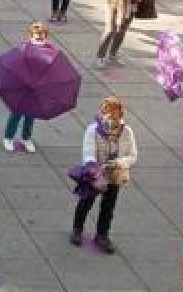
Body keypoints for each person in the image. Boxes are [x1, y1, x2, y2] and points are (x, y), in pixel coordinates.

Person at [71, 97, 137, 253]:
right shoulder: (92, 130)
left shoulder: (127, 131)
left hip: (114, 173)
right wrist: (96, 169)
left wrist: (119, 163)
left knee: (109, 205)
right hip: (95, 173)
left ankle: (102, 235)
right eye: (109, 120)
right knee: (86, 201)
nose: (112, 126)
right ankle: (77, 229)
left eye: (116, 121)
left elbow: (133, 155)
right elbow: (88, 154)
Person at [1, 22, 57, 154]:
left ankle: (26, 138)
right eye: (37, 35)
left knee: (31, 115)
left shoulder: (49, 49)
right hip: (23, 87)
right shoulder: (25, 49)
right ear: (31, 35)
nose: (39, 37)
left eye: (42, 35)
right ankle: (8, 137)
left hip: (37, 87)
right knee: (16, 114)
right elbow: (17, 67)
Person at [98, 0, 149, 67]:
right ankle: (100, 57)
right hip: (114, 3)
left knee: (121, 31)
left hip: (130, 6)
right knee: (110, 30)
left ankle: (112, 55)